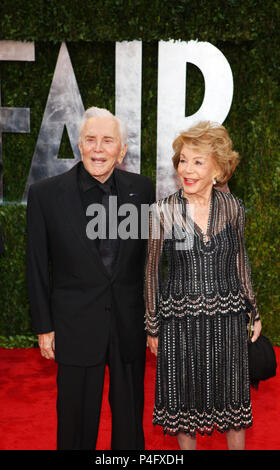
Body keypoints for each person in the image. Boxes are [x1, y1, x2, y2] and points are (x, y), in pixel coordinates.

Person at [27, 106, 155, 450]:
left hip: (128, 323)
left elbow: (150, 263)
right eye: (90, 140)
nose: (98, 148)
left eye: (107, 141)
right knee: (75, 422)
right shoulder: (45, 194)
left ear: (121, 150)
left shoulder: (142, 191)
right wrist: (44, 327)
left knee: (129, 421)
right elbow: (37, 266)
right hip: (74, 323)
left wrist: (152, 322)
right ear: (79, 145)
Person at [144, 121, 262, 451]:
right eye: (183, 160)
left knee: (233, 406)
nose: (187, 169)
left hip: (227, 318)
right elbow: (151, 272)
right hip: (179, 322)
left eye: (197, 161)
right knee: (184, 407)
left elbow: (241, 261)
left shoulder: (234, 209)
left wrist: (254, 311)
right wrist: (153, 327)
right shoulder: (163, 211)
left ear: (217, 168)